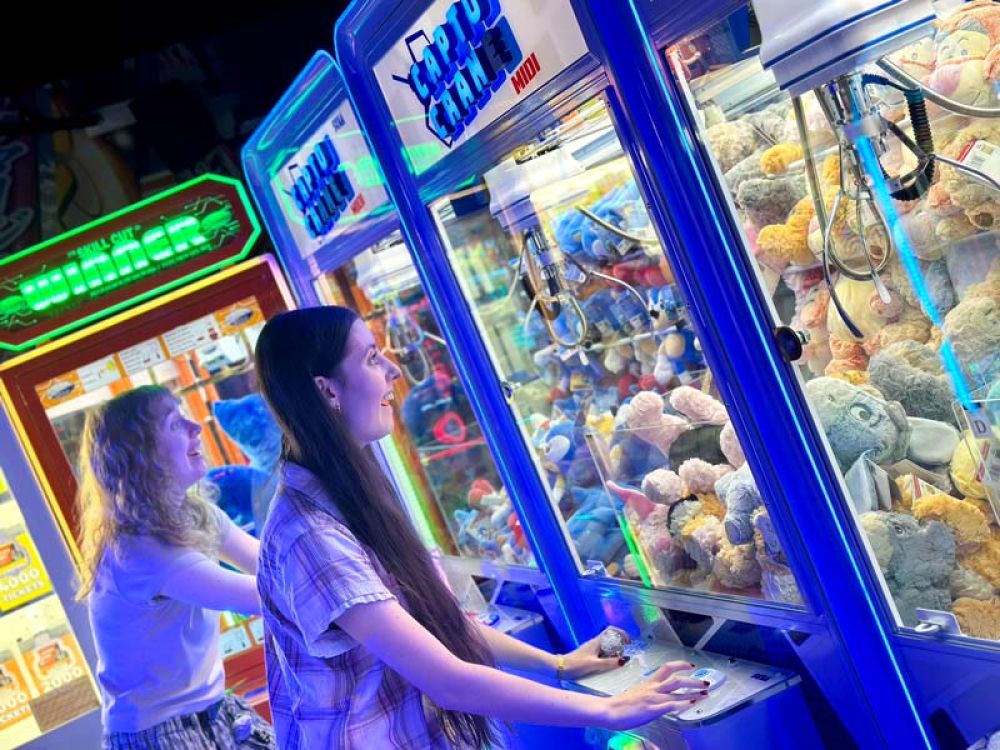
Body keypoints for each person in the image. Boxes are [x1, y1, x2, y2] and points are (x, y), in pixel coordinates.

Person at [253, 306, 709, 749]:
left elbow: (435, 624)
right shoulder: (309, 534)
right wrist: (610, 710)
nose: (393, 370)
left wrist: (559, 665)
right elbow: (447, 681)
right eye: (372, 358)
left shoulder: (348, 492)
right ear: (327, 391)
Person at [75, 385, 277, 749]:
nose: (195, 427)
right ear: (142, 456)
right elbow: (266, 596)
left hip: (212, 711)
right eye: (173, 423)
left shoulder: (194, 513)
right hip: (159, 735)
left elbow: (270, 563)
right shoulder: (140, 551)